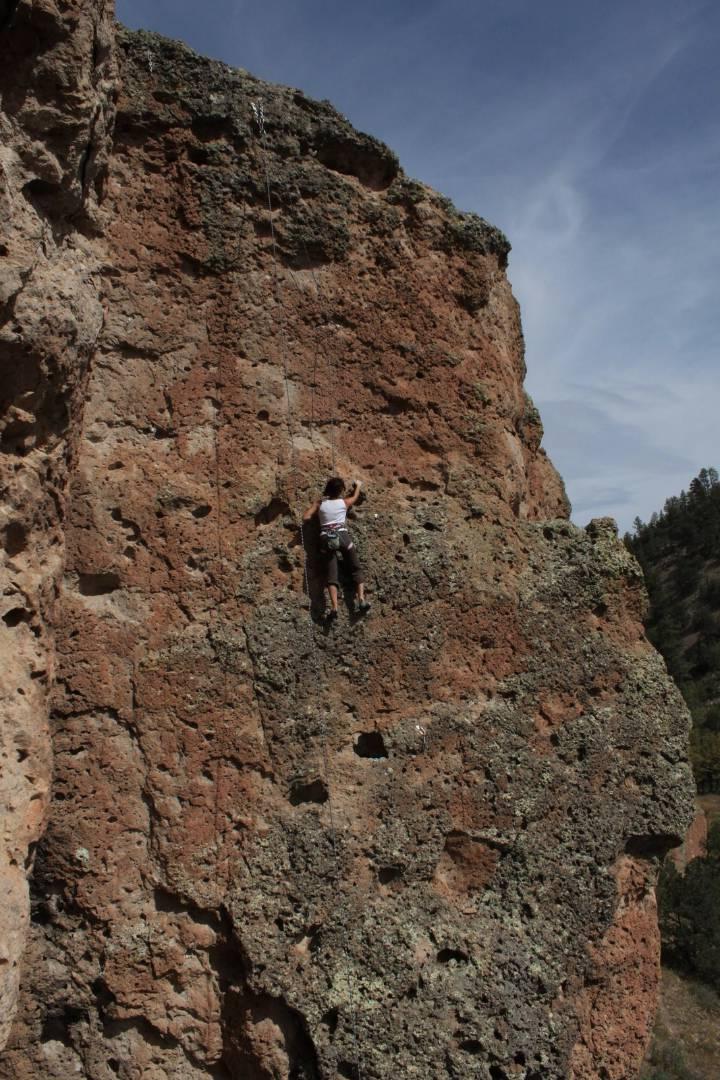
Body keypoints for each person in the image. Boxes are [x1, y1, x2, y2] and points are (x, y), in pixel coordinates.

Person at [303, 477, 370, 621]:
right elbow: (355, 497)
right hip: (342, 536)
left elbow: (306, 517)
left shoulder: (320, 503)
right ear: (340, 491)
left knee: (331, 574)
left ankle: (334, 607)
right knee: (356, 568)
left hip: (326, 539)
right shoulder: (344, 502)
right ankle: (361, 599)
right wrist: (358, 485)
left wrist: (316, 518)